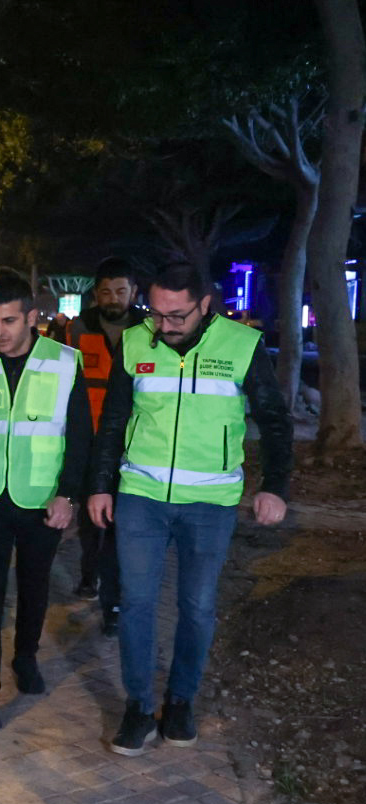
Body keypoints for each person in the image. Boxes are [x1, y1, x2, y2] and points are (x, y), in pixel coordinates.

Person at [89, 261, 292, 756]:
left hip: (211, 501)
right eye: (157, 314)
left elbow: (274, 418)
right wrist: (100, 486)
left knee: (197, 606)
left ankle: (180, 701)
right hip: (142, 494)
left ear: (205, 305)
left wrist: (276, 486)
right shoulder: (136, 342)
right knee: (135, 603)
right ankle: (138, 707)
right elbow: (114, 420)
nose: (165, 325)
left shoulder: (242, 346)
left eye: (177, 315)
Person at [0, 275, 92, 731]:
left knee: (33, 585)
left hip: (40, 497)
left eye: (9, 321)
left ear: (31, 318)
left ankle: (26, 657)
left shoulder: (65, 363)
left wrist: (68, 495)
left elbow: (80, 435)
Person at [64, 257, 147, 634]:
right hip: (86, 439)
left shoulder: (148, 329)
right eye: (105, 292)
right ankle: (88, 576)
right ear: (95, 294)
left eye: (120, 290)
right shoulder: (78, 329)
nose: (113, 298)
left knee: (117, 523)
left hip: (131, 442)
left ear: (133, 292)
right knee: (88, 518)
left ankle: (113, 602)